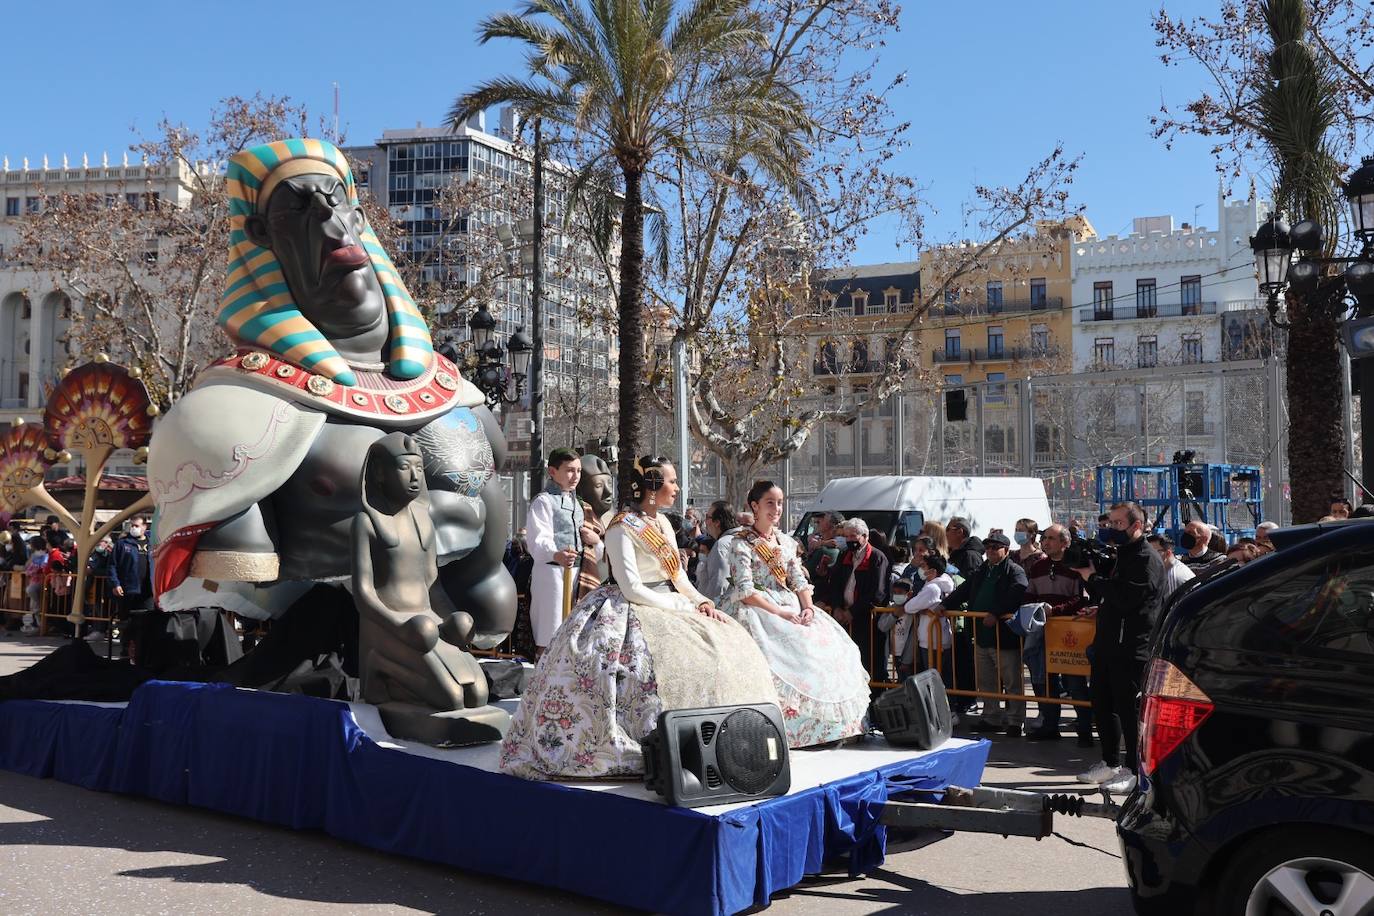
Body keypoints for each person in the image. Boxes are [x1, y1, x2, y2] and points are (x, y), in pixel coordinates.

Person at [498, 457, 778, 781]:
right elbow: (630, 587)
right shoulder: (621, 527)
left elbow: (679, 578)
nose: (677, 488)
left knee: (727, 645)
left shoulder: (664, 525)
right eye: (672, 482)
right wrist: (677, 607)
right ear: (653, 487)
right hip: (630, 607)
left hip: (672, 601)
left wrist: (701, 602)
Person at [717, 481, 869, 748]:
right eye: (770, 503)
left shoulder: (785, 542)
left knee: (830, 650)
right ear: (754, 506)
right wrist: (781, 613)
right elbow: (745, 589)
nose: (777, 509)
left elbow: (797, 579)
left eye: (780, 503)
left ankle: (832, 727)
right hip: (757, 606)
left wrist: (808, 607)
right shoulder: (741, 543)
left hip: (790, 603)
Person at [1074, 502, 1165, 795]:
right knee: (1102, 704)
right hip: (1107, 643)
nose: (1110, 529)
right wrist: (1092, 579)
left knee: (1129, 710)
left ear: (1136, 526)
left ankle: (1133, 769)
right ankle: (1109, 761)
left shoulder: (1146, 559)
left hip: (1132, 648)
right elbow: (1107, 596)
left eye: (1117, 523)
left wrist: (1094, 579)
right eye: (1109, 523)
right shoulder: (1119, 555)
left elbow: (1128, 598)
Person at [936, 532, 1029, 736]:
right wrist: (945, 604)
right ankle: (991, 717)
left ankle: (1015, 720)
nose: (991, 551)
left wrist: (996, 613)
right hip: (981, 634)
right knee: (987, 680)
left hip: (1004, 636)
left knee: (1012, 680)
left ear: (1005, 549)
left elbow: (1018, 591)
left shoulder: (1014, 570)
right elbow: (964, 590)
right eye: (988, 548)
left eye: (995, 547)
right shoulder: (982, 570)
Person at [526, 448, 604, 657]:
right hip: (552, 575)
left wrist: (596, 541)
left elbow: (597, 548)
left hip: (580, 573)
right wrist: (556, 554)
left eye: (578, 471)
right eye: (570, 470)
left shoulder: (581, 505)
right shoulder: (543, 501)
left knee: (576, 631)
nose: (575, 476)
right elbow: (537, 539)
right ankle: (542, 684)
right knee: (549, 632)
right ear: (552, 471)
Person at [1023, 524, 1093, 745]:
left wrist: (1056, 610)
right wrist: (1033, 608)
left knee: (1075, 684)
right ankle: (1049, 725)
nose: (1046, 542)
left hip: (1069, 634)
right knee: (1045, 682)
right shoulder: (1038, 567)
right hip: (1043, 633)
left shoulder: (1076, 566)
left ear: (1065, 542)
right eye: (1044, 538)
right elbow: (1029, 594)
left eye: (1051, 538)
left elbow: (1082, 598)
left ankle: (1084, 731)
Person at [832, 518, 890, 681]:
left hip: (867, 620)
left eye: (853, 536)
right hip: (844, 618)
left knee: (870, 663)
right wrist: (837, 607)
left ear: (865, 536)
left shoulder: (877, 558)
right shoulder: (844, 556)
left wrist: (853, 611)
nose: (850, 540)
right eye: (847, 537)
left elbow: (877, 592)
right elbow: (835, 583)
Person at [895, 552, 956, 684]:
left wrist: (919, 608)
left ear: (933, 571)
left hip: (933, 640)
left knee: (935, 680)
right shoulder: (940, 584)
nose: (920, 569)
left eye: (923, 566)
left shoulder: (932, 588)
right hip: (934, 638)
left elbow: (910, 606)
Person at [109, 518, 155, 658]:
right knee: (127, 622)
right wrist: (115, 584)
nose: (133, 528)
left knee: (147, 621)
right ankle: (126, 650)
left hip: (147, 591)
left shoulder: (152, 543)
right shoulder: (122, 544)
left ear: (144, 527)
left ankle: (144, 650)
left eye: (136, 525)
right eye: (132, 525)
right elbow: (112, 565)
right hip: (128, 590)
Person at [696, 500, 740, 603]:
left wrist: (709, 607)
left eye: (707, 517)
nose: (705, 522)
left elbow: (719, 584)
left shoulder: (722, 545)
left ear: (717, 522)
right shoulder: (742, 539)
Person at [1147, 533, 1196, 605]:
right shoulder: (1168, 567)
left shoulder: (1173, 576)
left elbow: (1170, 610)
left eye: (1153, 552)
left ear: (1168, 553)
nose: (1149, 556)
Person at [21, 536, 49, 635]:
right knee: (34, 606)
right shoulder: (34, 555)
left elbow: (36, 568)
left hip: (39, 582)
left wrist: (30, 570)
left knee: (37, 605)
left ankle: (41, 627)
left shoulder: (44, 556)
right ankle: (37, 626)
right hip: (34, 581)